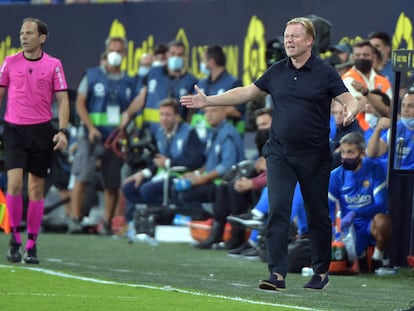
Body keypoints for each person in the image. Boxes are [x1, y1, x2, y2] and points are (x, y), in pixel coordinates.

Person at [181, 16, 359, 291]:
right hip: (280, 154)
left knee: (317, 215)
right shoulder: (276, 71)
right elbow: (246, 92)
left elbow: (349, 99)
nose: (288, 40)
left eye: (295, 36)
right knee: (277, 210)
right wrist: (208, 101)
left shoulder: (325, 72)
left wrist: (352, 109)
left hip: (314, 156)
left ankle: (321, 270)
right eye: (287, 36)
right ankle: (277, 274)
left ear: (309, 41)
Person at [0, 17, 70, 264]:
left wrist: (62, 131)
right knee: (15, 184)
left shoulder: (53, 65)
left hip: (41, 130)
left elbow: (62, 100)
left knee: (36, 189)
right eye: (22, 32)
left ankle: (32, 244)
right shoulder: (10, 62)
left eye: (29, 33)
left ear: (42, 38)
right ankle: (14, 239)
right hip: (14, 130)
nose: (23, 37)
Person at [69, 36, 137, 235]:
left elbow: (132, 109)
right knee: (82, 177)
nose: (116, 54)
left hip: (114, 139)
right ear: (107, 52)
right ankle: (75, 218)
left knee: (112, 182)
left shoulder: (129, 82)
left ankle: (107, 221)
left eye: (119, 50)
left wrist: (126, 129)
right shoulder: (92, 75)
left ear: (124, 53)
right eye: (112, 50)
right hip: (91, 136)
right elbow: (80, 103)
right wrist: (90, 128)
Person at [121, 98, 204, 232]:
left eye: (168, 115)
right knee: (129, 188)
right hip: (162, 175)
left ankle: (164, 216)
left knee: (147, 190)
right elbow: (156, 160)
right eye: (161, 114)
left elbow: (196, 160)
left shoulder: (189, 132)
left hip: (180, 176)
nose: (164, 118)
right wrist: (143, 173)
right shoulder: (159, 133)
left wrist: (168, 163)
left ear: (177, 117)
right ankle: (144, 219)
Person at [194, 107, 271, 250]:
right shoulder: (262, 140)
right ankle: (222, 235)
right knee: (227, 186)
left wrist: (252, 182)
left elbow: (278, 172)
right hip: (261, 179)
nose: (261, 129)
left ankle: (244, 237)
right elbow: (260, 165)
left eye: (265, 125)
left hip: (274, 185)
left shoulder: (227, 133)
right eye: (259, 125)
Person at [328, 132, 391, 272]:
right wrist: (334, 231)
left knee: (383, 221)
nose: (345, 157)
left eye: (350, 152)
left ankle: (377, 259)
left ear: (362, 153)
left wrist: (355, 212)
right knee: (345, 261)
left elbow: (382, 204)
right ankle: (360, 257)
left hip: (370, 222)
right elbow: (329, 207)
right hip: (349, 226)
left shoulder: (374, 170)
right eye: (343, 152)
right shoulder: (335, 175)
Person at [172, 105, 245, 223]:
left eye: (213, 111)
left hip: (224, 184)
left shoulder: (227, 134)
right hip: (213, 180)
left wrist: (204, 178)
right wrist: (195, 173)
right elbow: (211, 162)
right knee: (175, 189)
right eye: (206, 112)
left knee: (186, 195)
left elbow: (227, 166)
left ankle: (210, 219)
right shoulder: (214, 132)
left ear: (224, 112)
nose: (209, 115)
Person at [123, 40, 197, 135]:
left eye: (180, 55)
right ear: (167, 55)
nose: (176, 57)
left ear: (185, 57)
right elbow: (141, 98)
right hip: (149, 133)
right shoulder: (154, 72)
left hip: (173, 135)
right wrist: (127, 114)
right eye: (172, 54)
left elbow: (191, 112)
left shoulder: (191, 81)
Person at [193, 45, 245, 141]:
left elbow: (238, 111)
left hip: (226, 137)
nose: (201, 63)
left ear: (211, 62)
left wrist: (214, 108)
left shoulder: (233, 82)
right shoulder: (202, 83)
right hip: (202, 138)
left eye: (203, 60)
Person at [342, 40, 392, 131]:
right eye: (358, 55)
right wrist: (380, 101)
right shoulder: (348, 79)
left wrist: (366, 99)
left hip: (382, 131)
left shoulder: (383, 80)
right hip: (356, 131)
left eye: (366, 55)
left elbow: (389, 109)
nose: (361, 58)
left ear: (374, 57)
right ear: (353, 57)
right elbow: (358, 106)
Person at [366, 89, 414, 170]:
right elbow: (372, 153)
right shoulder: (397, 127)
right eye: (403, 105)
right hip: (395, 176)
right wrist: (378, 129)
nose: (405, 110)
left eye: (411, 106)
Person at [330, 99, 364, 169]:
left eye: (341, 113)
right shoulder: (338, 129)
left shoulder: (356, 133)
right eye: (335, 113)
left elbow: (334, 162)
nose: (338, 116)